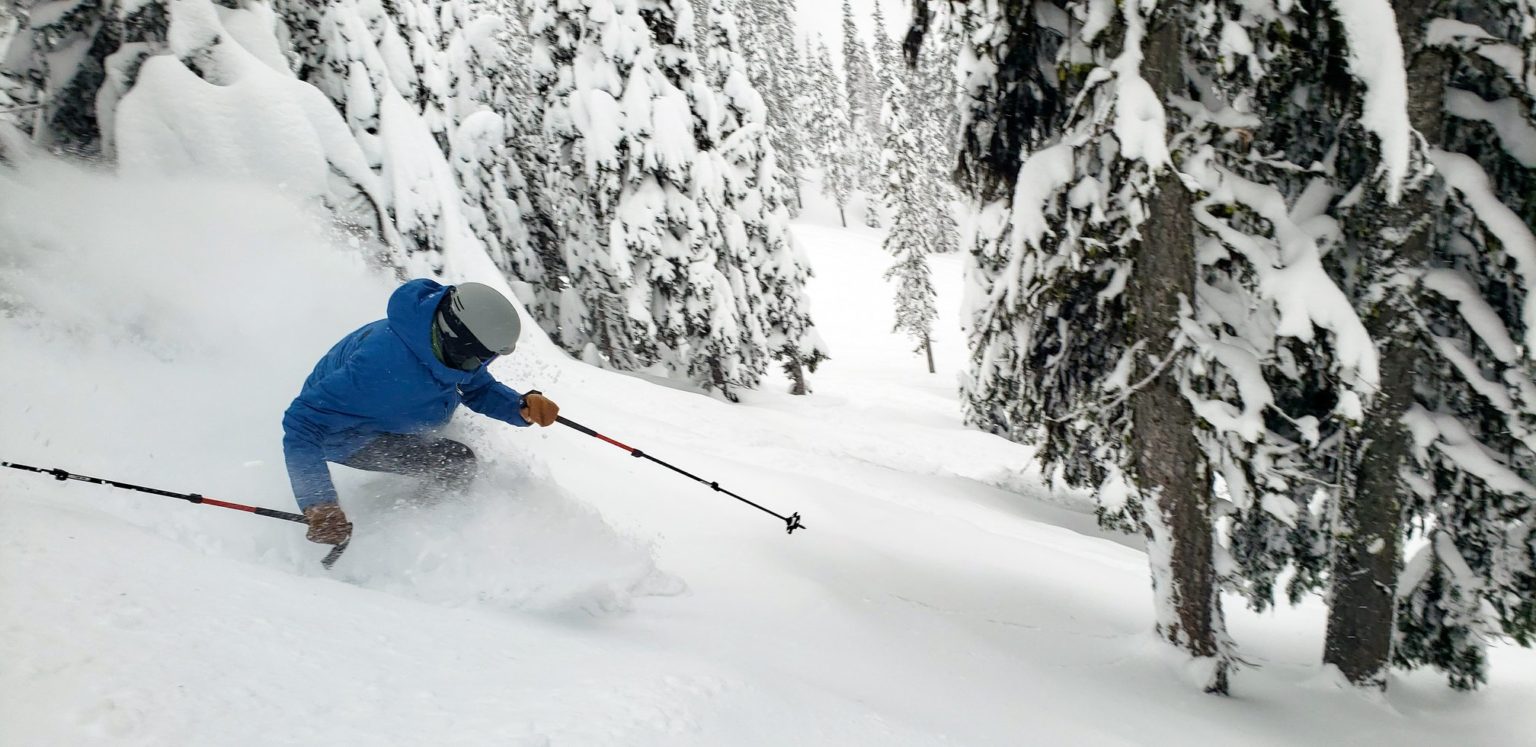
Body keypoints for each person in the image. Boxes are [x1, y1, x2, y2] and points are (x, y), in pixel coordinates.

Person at [282, 279, 559, 546]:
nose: (482, 364)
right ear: (459, 342)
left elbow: (475, 387)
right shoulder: (377, 367)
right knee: (454, 463)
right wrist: (319, 503)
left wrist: (520, 407)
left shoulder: (444, 349)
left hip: (391, 417)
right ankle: (403, 538)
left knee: (453, 462)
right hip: (349, 434)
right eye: (481, 357)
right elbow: (301, 425)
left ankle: (418, 517)